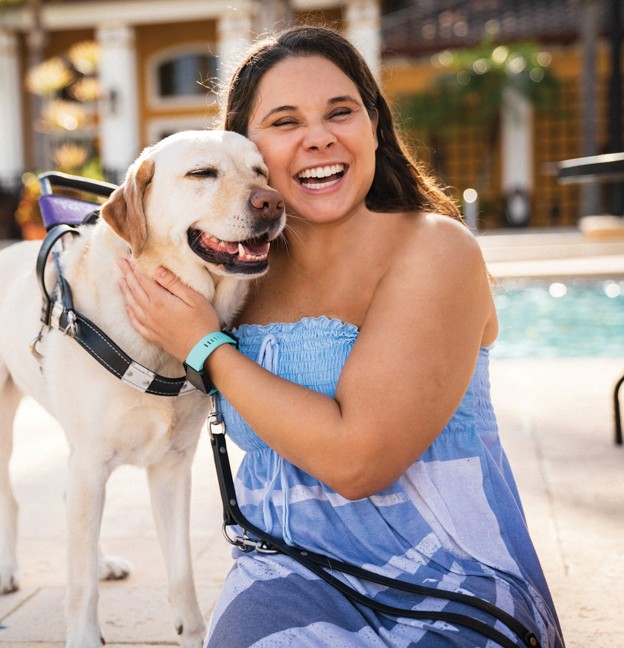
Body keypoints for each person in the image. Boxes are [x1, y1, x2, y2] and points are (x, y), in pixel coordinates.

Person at [118, 25, 564, 647]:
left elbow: (359, 463)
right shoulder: (238, 277)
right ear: (244, 147)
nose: (318, 136)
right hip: (286, 573)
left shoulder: (437, 251)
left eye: (340, 112)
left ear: (374, 126)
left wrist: (208, 348)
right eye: (284, 121)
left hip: (450, 578)